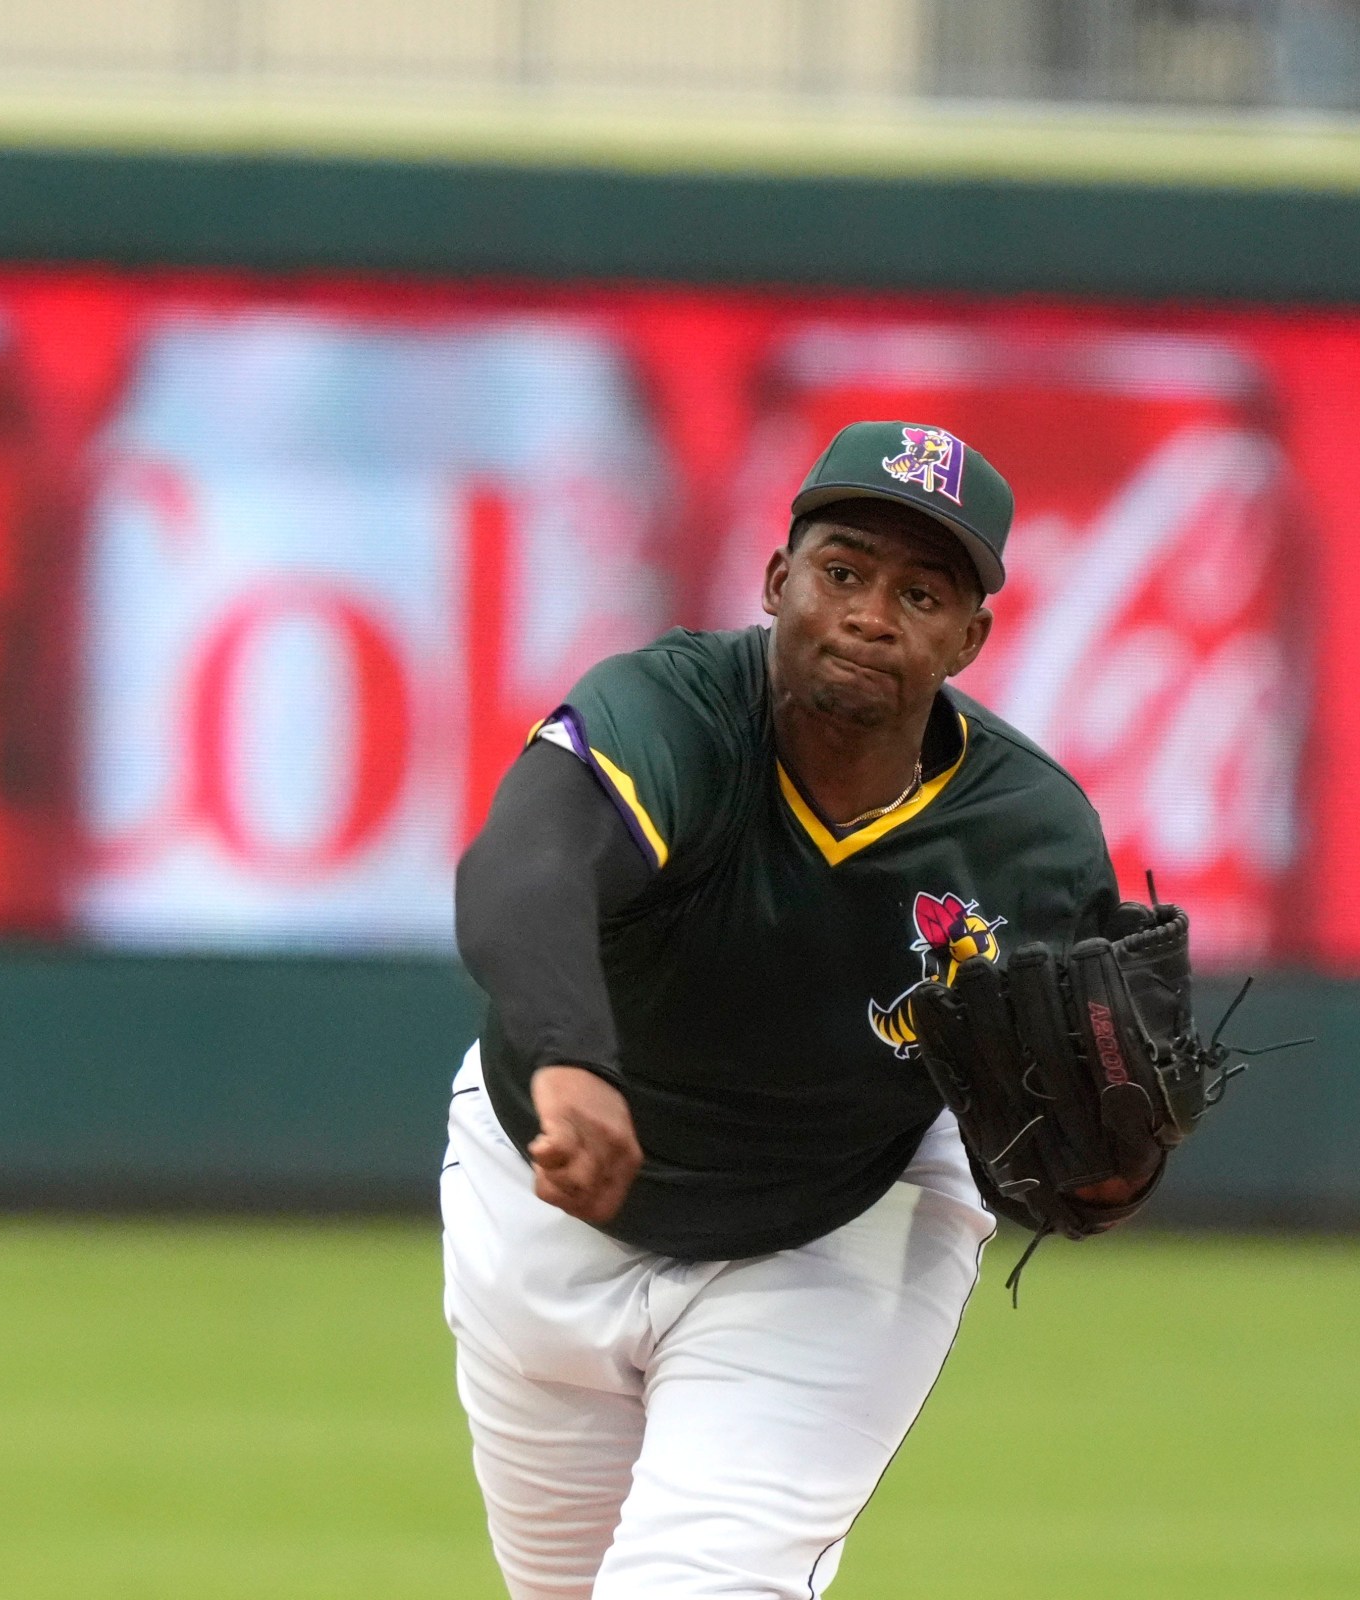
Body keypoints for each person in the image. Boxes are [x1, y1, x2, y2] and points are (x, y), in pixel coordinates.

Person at [444, 420, 1144, 1598]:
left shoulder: (1029, 839)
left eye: (922, 591)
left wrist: (1109, 1162)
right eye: (843, 571)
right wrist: (569, 1057)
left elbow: (1082, 1107)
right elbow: (525, 866)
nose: (872, 614)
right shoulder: (671, 712)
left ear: (971, 637)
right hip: (545, 1196)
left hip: (833, 1231)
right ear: (777, 582)